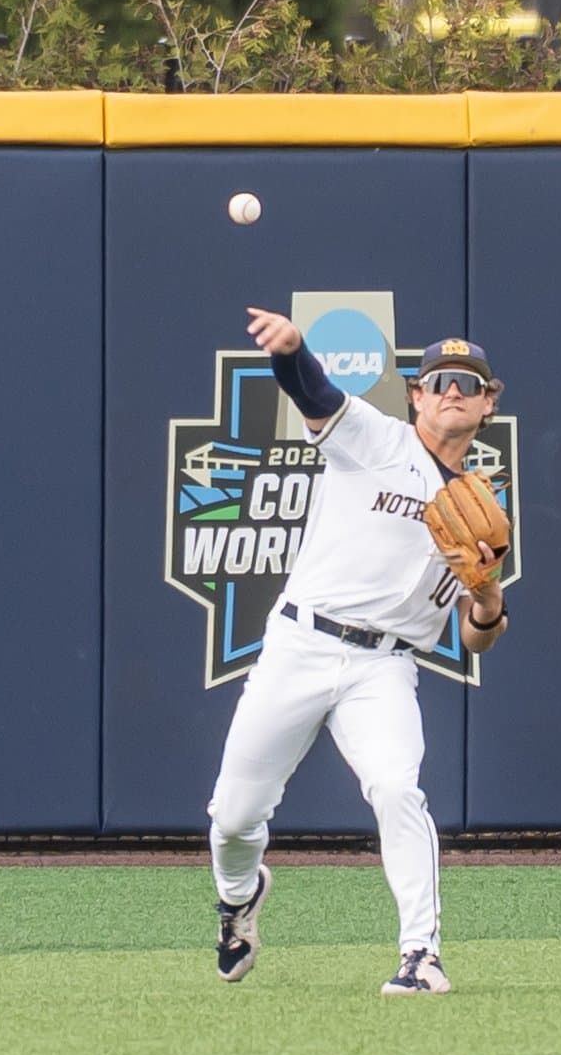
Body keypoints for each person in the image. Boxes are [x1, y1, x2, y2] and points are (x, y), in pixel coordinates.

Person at [208, 307, 509, 995]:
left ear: (490, 401)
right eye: (438, 381)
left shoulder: (483, 500)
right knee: (233, 817)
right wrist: (290, 351)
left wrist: (488, 597)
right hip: (301, 643)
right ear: (415, 394)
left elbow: (477, 632)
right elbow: (314, 393)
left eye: (468, 382)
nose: (451, 391)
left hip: (384, 665)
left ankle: (421, 954)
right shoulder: (378, 439)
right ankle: (238, 898)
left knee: (398, 787)